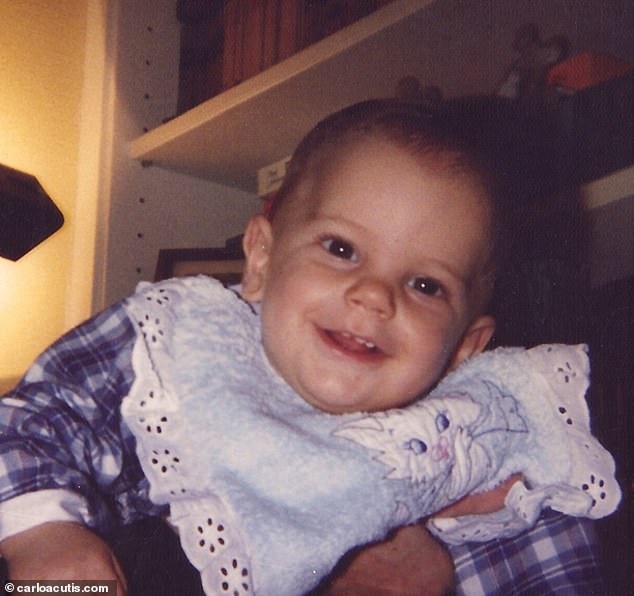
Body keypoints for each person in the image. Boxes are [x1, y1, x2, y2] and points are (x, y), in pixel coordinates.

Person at [0, 99, 615, 595]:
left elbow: (549, 570)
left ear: (466, 347)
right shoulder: (181, 354)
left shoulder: (480, 434)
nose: (375, 295)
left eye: (426, 285)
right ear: (262, 258)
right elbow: (34, 419)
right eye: (342, 249)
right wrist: (39, 530)